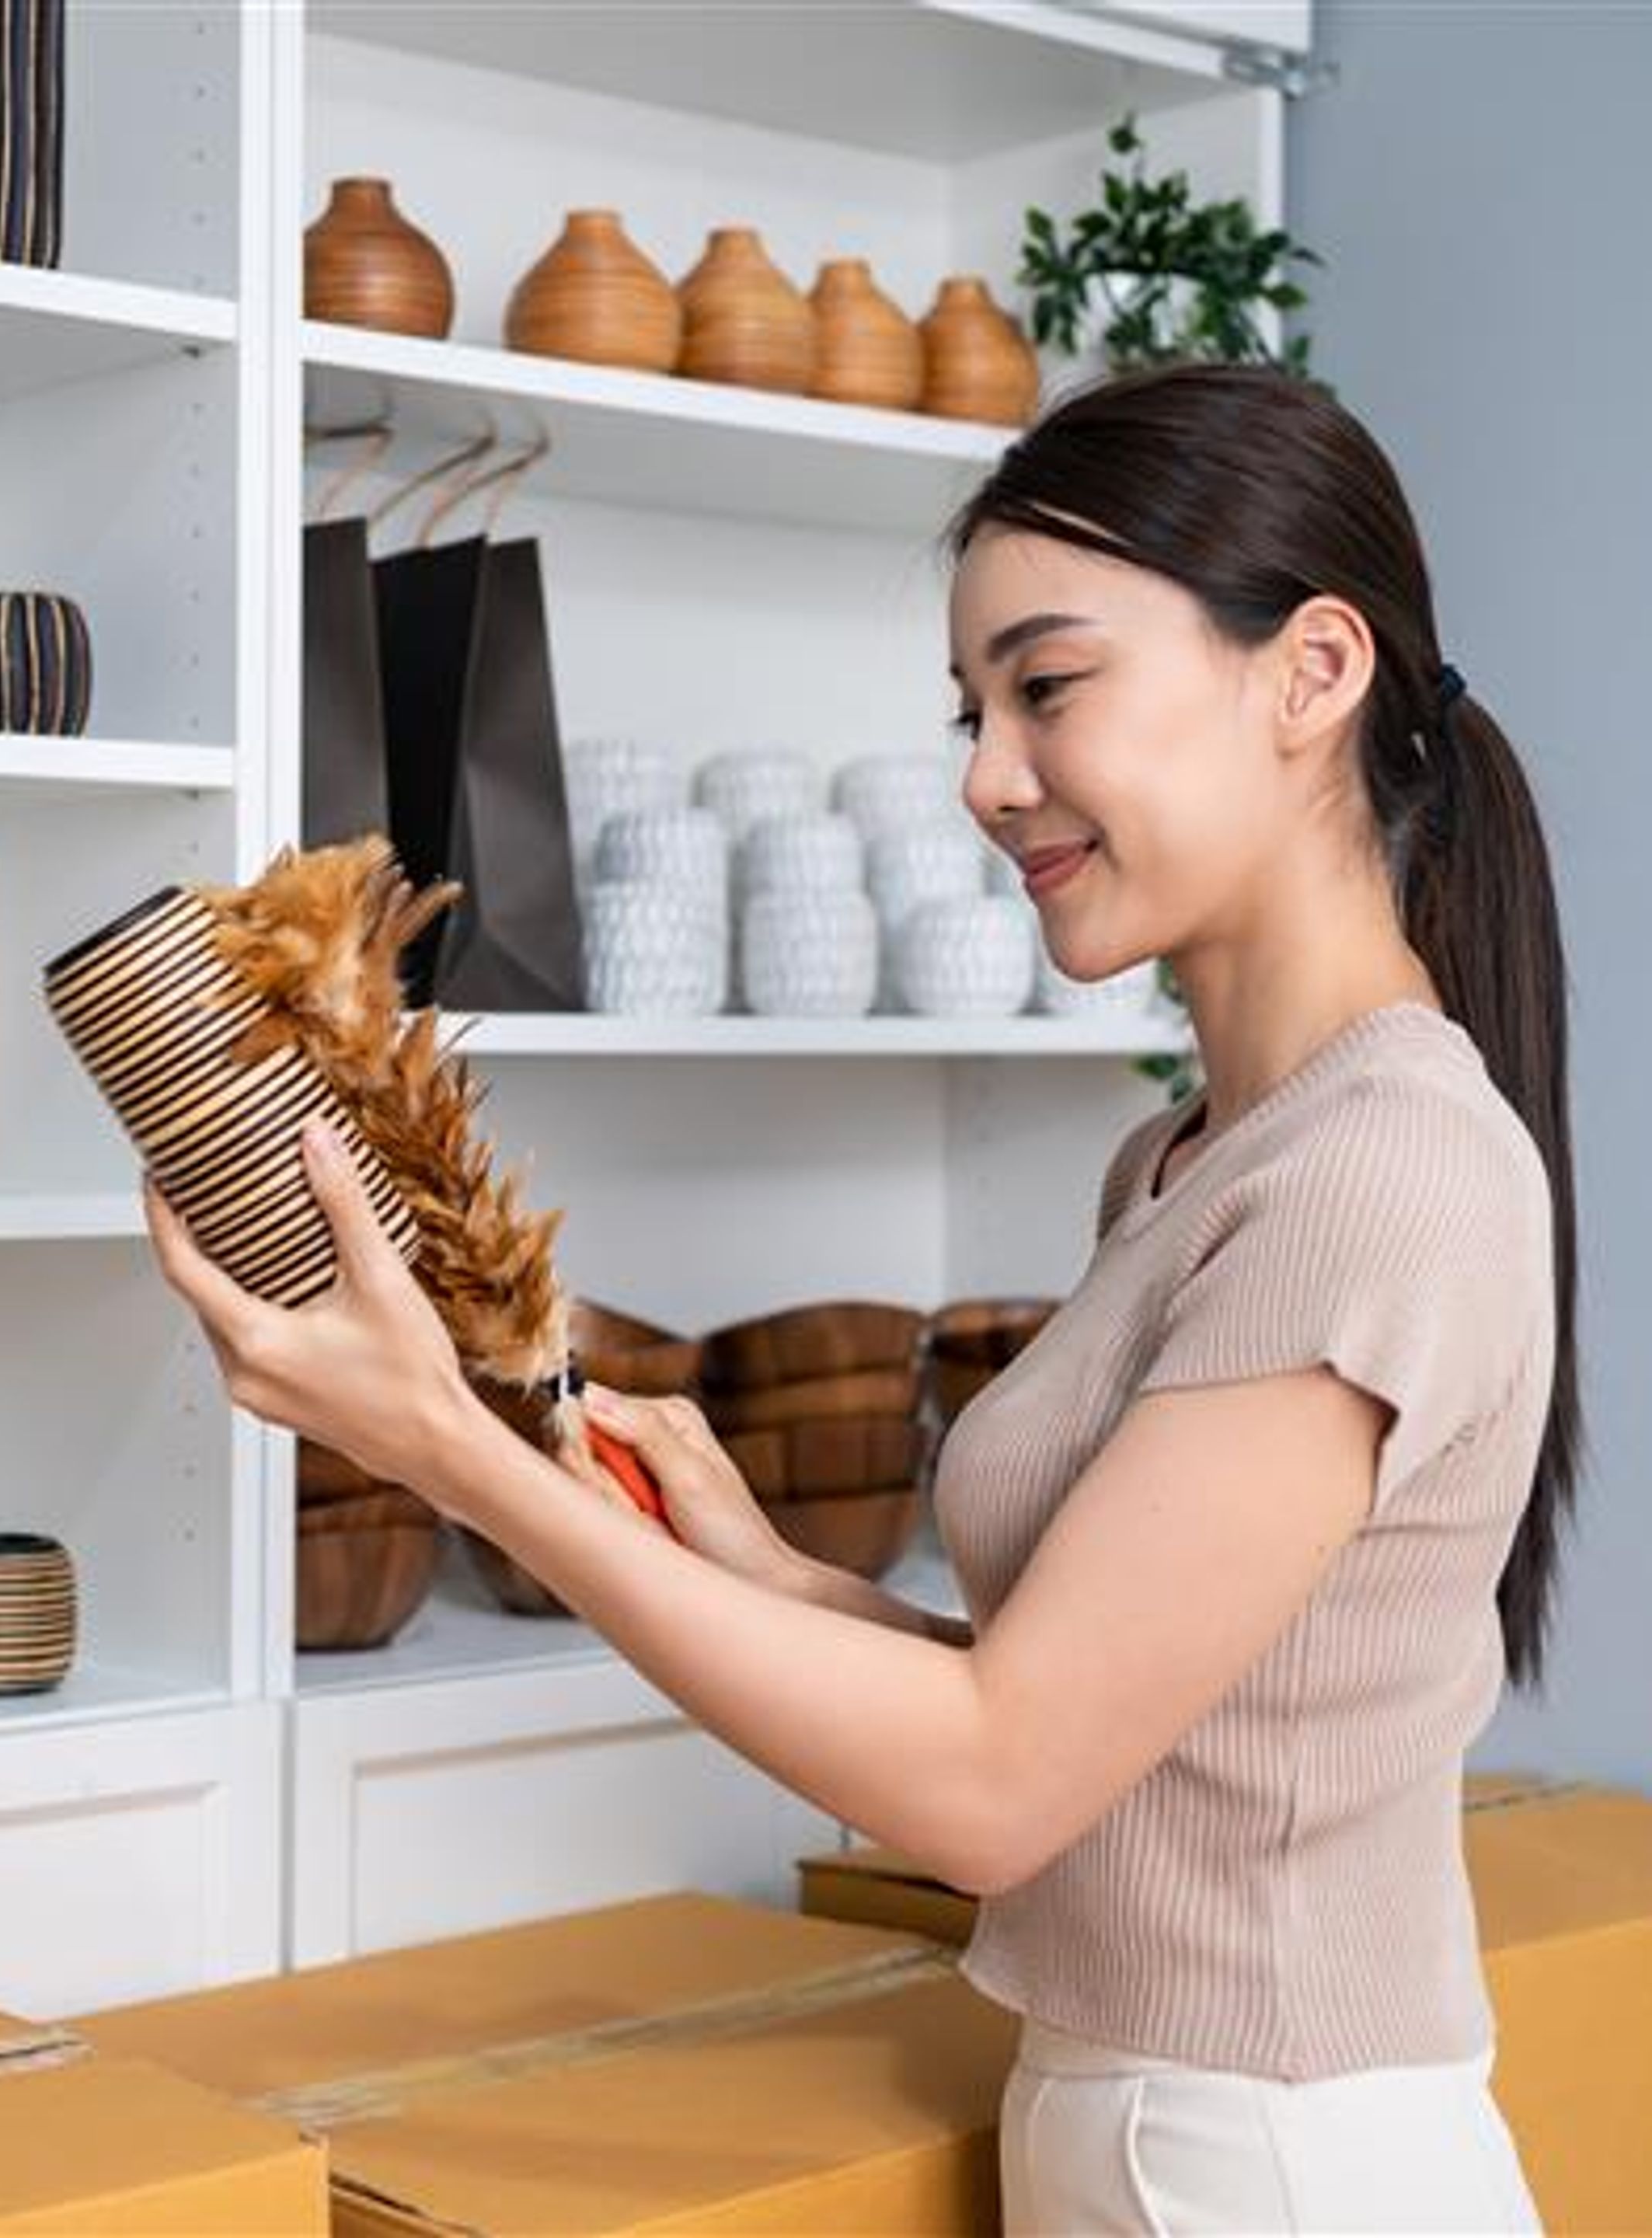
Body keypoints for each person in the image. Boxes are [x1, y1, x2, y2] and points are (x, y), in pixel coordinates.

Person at [145, 364, 1577, 2235]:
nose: (988, 774)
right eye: (974, 711)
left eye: (1049, 689)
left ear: (1313, 675)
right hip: (1159, 2143)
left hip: (1278, 2170)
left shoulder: (1383, 1174)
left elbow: (995, 1796)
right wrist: (755, 1563)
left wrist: (449, 1456)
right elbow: (1077, 1729)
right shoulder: (1181, 1165)